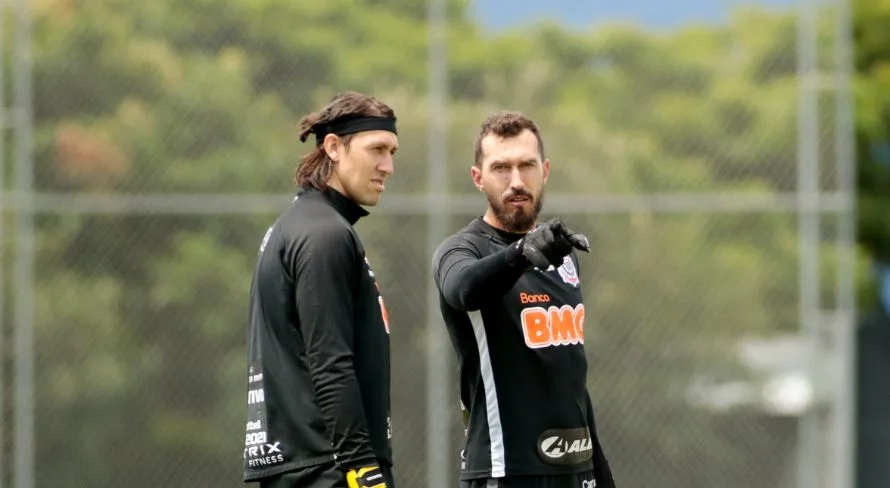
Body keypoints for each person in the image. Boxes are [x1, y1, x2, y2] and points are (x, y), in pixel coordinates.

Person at [431, 111, 616, 488]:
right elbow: (462, 289)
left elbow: (570, 377)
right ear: (478, 177)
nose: (516, 181)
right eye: (501, 168)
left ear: (545, 170)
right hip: (506, 470)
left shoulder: (563, 255)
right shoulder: (461, 249)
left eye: (526, 165)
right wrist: (522, 252)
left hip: (575, 471)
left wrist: (601, 472)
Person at [242, 91, 399, 488]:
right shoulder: (322, 234)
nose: (388, 166)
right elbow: (330, 361)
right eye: (377, 149)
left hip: (310, 465)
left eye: (392, 151)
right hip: (328, 469)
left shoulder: (301, 224)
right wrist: (362, 469)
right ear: (333, 147)